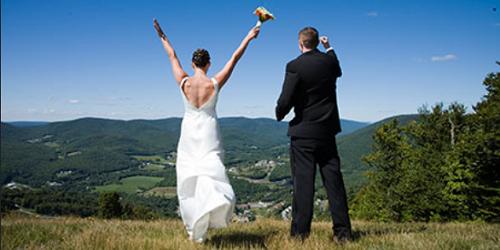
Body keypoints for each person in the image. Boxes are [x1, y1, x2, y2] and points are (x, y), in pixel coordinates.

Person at [153, 19, 260, 243]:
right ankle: (212, 209)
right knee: (211, 172)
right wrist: (249, 37)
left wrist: (162, 36)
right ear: (208, 63)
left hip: (189, 132)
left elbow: (171, 56)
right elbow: (234, 58)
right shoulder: (214, 83)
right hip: (210, 130)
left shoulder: (184, 82)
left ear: (193, 64)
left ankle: (194, 228)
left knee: (188, 177)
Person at [275, 27, 352, 243]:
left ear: (300, 44)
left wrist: (279, 113)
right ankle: (343, 234)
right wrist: (330, 48)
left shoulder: (294, 66)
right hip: (327, 132)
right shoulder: (329, 63)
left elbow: (286, 99)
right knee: (334, 184)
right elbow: (338, 69)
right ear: (317, 42)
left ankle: (300, 236)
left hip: (304, 134)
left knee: (303, 185)